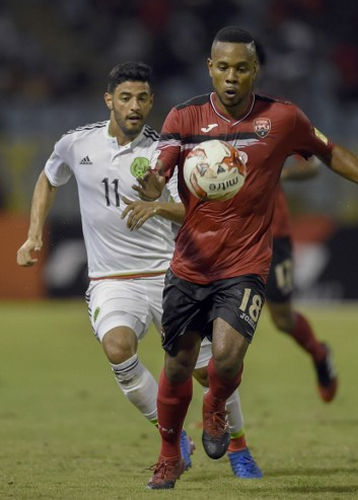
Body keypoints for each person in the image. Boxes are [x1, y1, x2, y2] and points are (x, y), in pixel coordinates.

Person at [134, 27, 358, 490]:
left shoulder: (281, 118)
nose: (232, 77)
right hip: (190, 263)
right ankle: (167, 457)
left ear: (255, 70)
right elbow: (163, 164)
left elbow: (329, 151)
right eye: (223, 67)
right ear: (210, 68)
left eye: (242, 68)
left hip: (246, 262)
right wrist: (155, 184)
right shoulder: (185, 115)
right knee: (177, 365)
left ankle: (215, 406)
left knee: (227, 354)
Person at [16, 61, 263, 479]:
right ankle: (173, 436)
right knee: (117, 347)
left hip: (172, 275)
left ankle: (238, 447)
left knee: (209, 372)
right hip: (111, 280)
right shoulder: (77, 144)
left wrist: (158, 205)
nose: (135, 106)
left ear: (152, 102)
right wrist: (33, 234)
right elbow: (47, 178)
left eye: (143, 98)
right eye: (126, 97)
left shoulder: (168, 152)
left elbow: (197, 210)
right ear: (109, 99)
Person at [267, 157, 338, 402]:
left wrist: (282, 174)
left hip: (272, 235)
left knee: (282, 319)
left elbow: (312, 165)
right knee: (219, 320)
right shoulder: (203, 121)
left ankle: (319, 353)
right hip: (225, 234)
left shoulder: (277, 119)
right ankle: (217, 411)